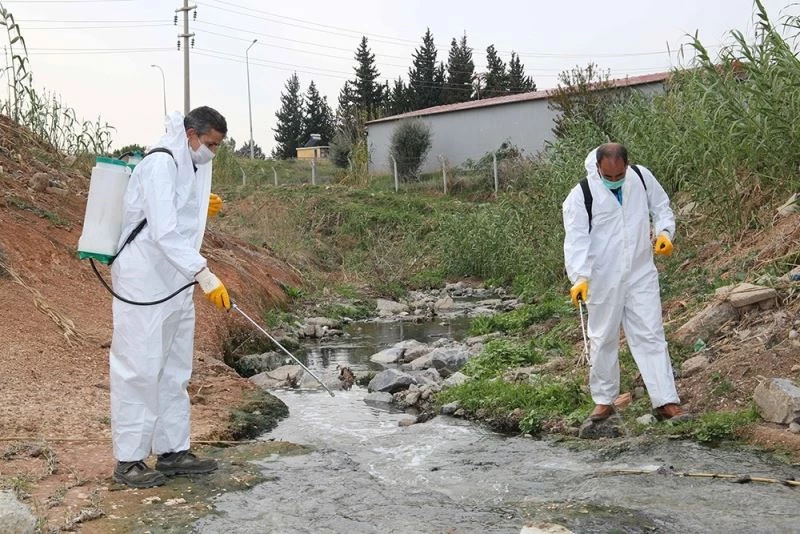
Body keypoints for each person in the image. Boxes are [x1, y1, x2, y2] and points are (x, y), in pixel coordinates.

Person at [109, 107, 231, 488]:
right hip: (144, 279)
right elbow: (163, 231)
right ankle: (128, 460)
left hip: (175, 282)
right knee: (139, 367)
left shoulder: (189, 163)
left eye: (218, 146)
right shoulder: (160, 162)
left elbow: (179, 216)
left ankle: (172, 450)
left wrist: (199, 201)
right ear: (190, 134)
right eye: (210, 144)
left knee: (174, 369)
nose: (213, 152)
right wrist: (205, 274)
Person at [562, 143, 689, 424]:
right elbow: (576, 239)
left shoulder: (641, 177)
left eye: (620, 175)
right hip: (602, 278)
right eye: (610, 176)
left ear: (627, 165)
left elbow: (662, 207)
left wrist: (665, 233)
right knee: (603, 337)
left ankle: (665, 400)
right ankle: (604, 401)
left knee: (651, 333)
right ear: (598, 168)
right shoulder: (581, 194)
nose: (615, 180)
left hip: (640, 270)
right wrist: (579, 278)